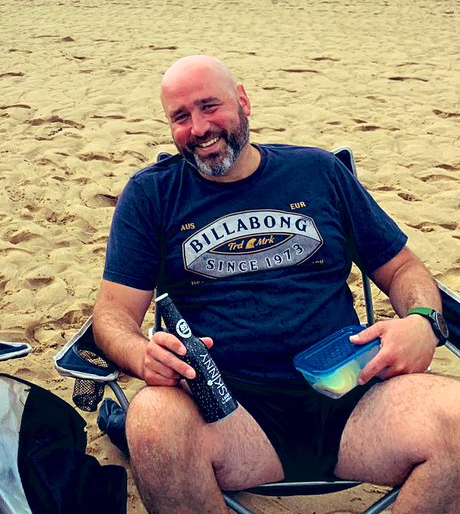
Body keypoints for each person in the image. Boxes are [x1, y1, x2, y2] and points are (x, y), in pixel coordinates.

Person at [92, 54, 459, 514]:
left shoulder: (319, 173)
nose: (199, 128)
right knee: (150, 419)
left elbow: (404, 269)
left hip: (349, 389)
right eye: (181, 117)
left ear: (243, 101)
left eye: (210, 106)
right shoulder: (152, 196)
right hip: (225, 408)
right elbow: (111, 315)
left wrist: (424, 322)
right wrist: (141, 355)